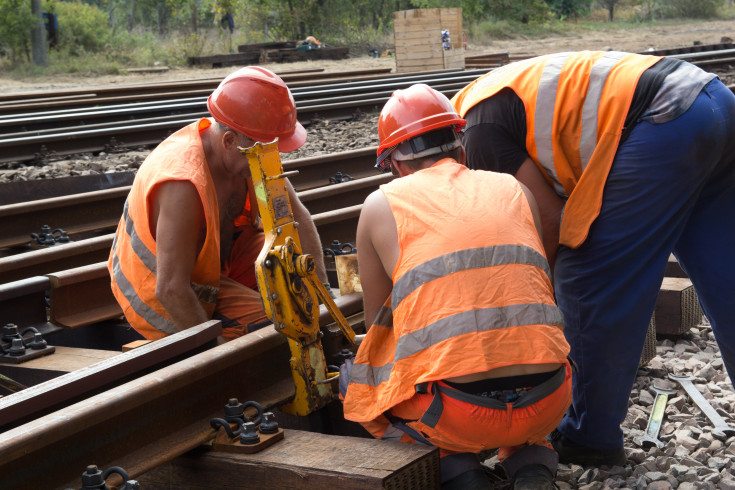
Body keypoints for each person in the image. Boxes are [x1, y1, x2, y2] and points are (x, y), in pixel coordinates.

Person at [451, 51, 735, 467]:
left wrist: (534, 297)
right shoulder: (487, 101)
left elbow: (550, 224)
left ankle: (589, 435)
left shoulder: (478, 131)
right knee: (726, 273)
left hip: (664, 119)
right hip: (715, 102)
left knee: (586, 274)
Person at [341, 84, 572, 489]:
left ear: (394, 164)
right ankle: (532, 460)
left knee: (356, 379)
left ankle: (456, 469)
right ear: (461, 150)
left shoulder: (381, 204)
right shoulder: (516, 190)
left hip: (457, 414)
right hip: (550, 397)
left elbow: (381, 330)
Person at [108, 66, 329, 342]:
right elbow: (171, 288)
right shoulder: (183, 184)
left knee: (291, 263)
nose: (271, 159)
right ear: (229, 141)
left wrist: (322, 299)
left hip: (212, 266)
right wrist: (217, 354)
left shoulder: (247, 155)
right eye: (266, 149)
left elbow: (298, 218)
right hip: (158, 296)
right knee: (280, 322)